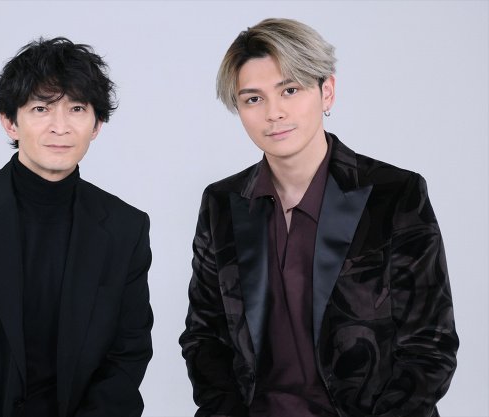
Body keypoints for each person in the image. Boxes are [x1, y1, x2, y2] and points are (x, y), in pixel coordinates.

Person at [179, 18, 457, 417]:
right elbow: (204, 337)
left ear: (327, 91)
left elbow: (430, 346)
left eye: (290, 90)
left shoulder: (395, 194)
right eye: (253, 99)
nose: (274, 113)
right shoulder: (221, 202)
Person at [0, 37, 153, 417]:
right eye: (40, 108)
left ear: (97, 124)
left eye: (77, 109)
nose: (60, 127)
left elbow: (127, 353)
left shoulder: (125, 227)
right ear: (10, 122)